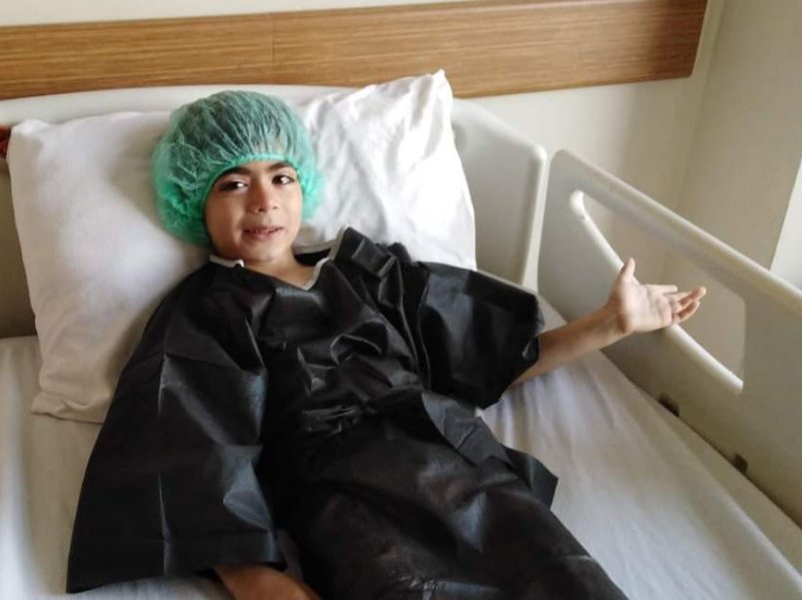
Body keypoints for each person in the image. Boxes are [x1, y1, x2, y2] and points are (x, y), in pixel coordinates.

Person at [66, 91, 705, 599]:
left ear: (304, 185)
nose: (264, 200)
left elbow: (483, 354)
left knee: (565, 577)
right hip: (345, 495)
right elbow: (193, 447)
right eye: (233, 184)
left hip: (459, 462)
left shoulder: (370, 270)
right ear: (192, 202)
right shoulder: (207, 311)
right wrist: (255, 579)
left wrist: (608, 324)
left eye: (281, 177)